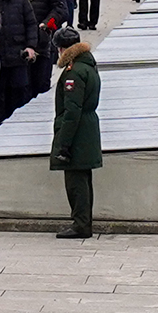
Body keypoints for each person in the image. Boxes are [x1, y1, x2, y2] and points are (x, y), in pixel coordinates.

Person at [47, 28, 100, 239]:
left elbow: (72, 111)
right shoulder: (87, 65)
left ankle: (81, 225)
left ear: (62, 49)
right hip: (87, 128)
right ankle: (83, 222)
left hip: (77, 132)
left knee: (76, 181)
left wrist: (64, 143)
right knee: (83, 179)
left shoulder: (74, 72)